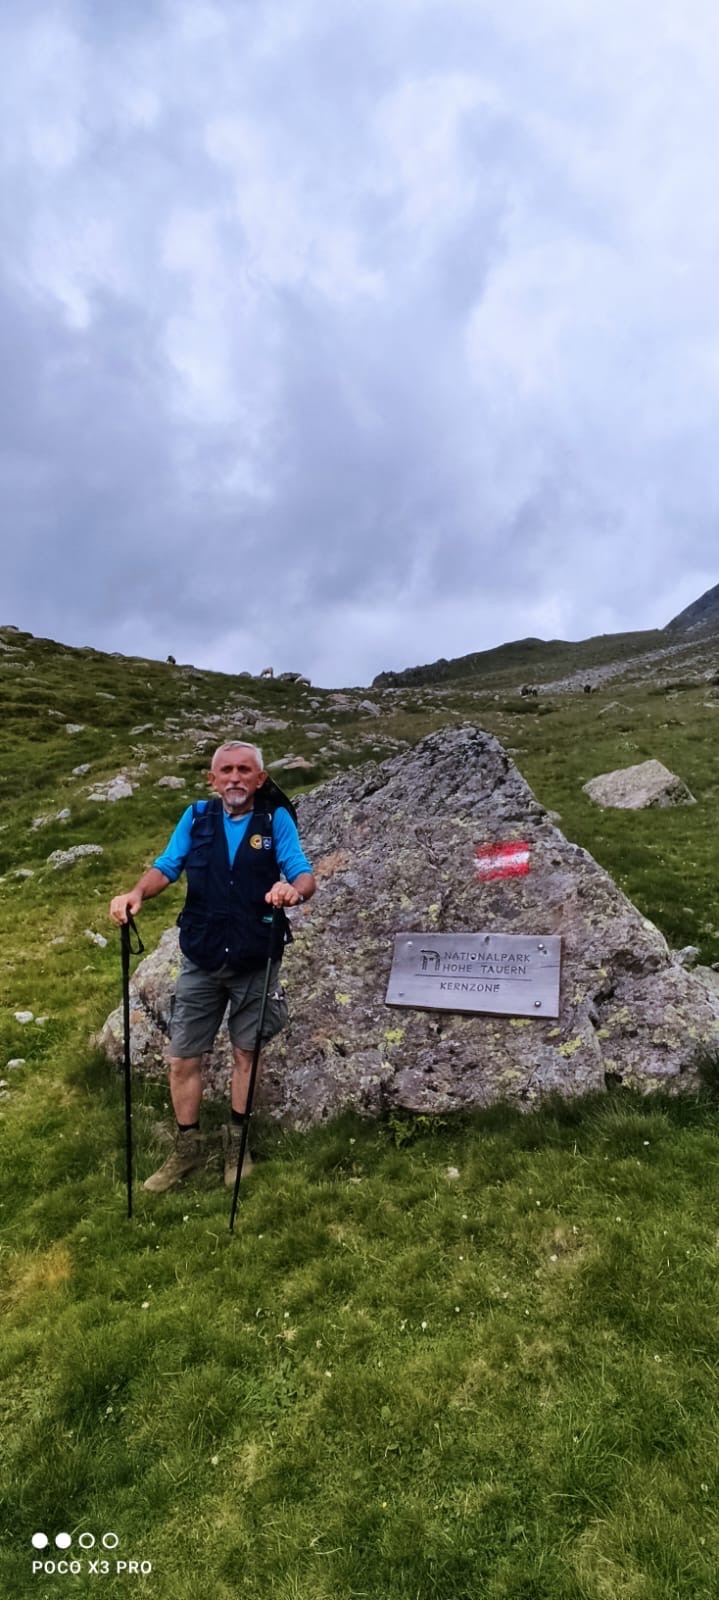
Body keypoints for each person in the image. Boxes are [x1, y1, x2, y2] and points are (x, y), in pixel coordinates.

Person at [109, 740, 316, 1192]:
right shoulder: (197, 817)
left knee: (247, 1053)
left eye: (245, 770)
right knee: (183, 1057)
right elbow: (167, 865)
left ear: (260, 779)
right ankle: (187, 1150)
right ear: (213, 778)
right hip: (201, 957)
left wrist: (293, 891)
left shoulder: (274, 819)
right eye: (227, 770)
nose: (235, 778)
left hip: (255, 957)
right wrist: (137, 894)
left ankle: (236, 1144)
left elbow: (303, 872)